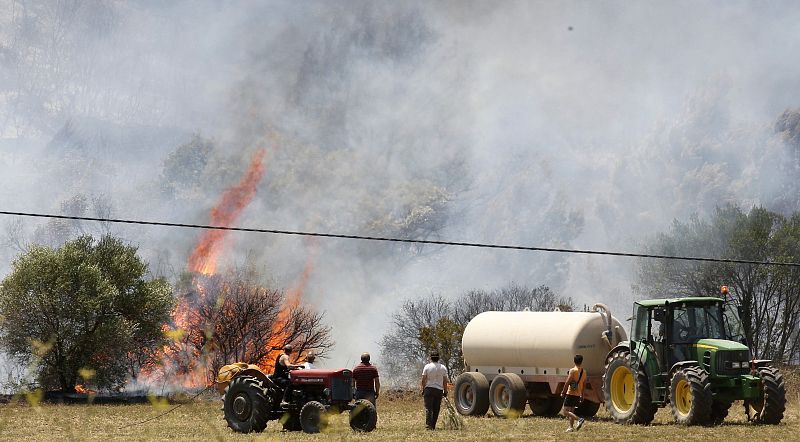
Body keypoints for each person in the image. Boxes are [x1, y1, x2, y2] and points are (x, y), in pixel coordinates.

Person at [421, 350, 449, 430]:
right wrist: (445, 390)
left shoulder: (427, 367)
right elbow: (445, 381)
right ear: (438, 358)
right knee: (436, 408)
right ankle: (433, 425)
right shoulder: (443, 368)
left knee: (429, 408)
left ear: (430, 358)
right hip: (439, 390)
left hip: (429, 389)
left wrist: (423, 388)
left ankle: (428, 426)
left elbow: (423, 379)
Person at [560, 354, 586, 432]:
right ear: (581, 361)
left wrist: (563, 392)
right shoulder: (584, 371)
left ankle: (579, 419)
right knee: (571, 411)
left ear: (574, 361)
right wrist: (582, 395)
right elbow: (584, 385)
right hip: (578, 394)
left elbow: (567, 382)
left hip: (570, 393)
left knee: (565, 412)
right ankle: (571, 427)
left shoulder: (573, 370)